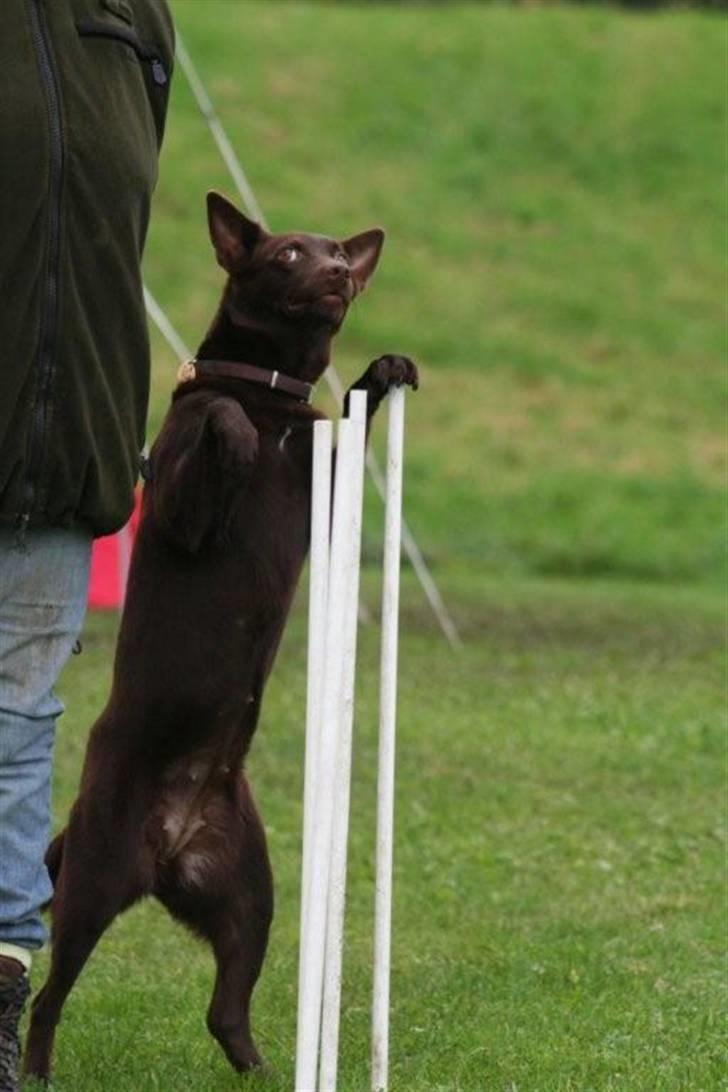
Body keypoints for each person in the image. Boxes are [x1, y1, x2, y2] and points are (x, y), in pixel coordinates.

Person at [0, 3, 174, 1088]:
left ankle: (0, 988)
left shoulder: (136, 15)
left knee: (18, 727)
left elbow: (119, 232)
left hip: (67, 447)